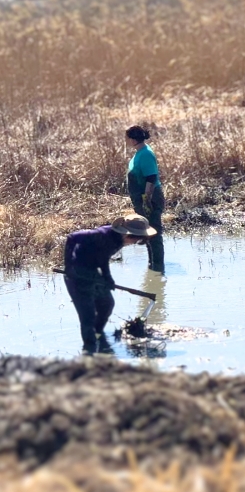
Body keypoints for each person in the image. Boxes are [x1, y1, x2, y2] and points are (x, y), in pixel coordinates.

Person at [64, 214, 157, 352]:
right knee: (87, 315)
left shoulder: (119, 240)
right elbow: (72, 237)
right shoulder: (99, 234)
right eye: (136, 240)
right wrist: (68, 266)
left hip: (93, 272)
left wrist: (108, 278)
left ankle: (98, 335)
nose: (134, 243)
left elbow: (102, 258)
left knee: (107, 304)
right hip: (76, 274)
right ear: (128, 235)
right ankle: (89, 350)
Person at [125, 125, 165, 273]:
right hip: (141, 198)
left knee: (154, 232)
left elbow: (151, 177)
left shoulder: (146, 154)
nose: (127, 141)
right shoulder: (139, 153)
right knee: (147, 232)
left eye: (127, 138)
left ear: (133, 139)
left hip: (150, 197)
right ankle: (152, 266)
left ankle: (158, 269)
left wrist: (146, 200)